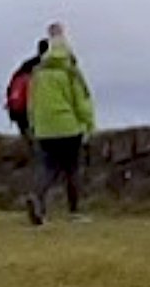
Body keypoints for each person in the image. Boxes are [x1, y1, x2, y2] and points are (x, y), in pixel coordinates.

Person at [22, 22, 95, 226]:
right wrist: (89, 125)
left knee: (48, 168)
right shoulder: (70, 72)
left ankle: (38, 200)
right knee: (72, 169)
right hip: (69, 126)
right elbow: (82, 101)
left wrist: (34, 125)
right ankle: (75, 212)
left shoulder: (38, 73)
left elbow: (31, 103)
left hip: (45, 128)